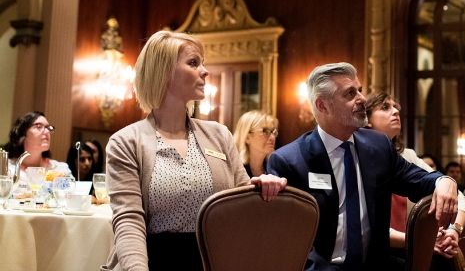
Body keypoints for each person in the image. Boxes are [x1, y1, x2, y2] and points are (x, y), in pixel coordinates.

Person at [104, 30, 287, 271]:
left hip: (215, 260)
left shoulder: (219, 134)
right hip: (153, 261)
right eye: (193, 63)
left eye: (202, 63)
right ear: (164, 72)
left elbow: (241, 200)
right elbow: (129, 222)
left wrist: (263, 185)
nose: (205, 71)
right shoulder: (126, 142)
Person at [267, 62, 458, 270]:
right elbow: (282, 241)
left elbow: (417, 180)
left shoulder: (378, 146)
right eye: (350, 94)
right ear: (322, 106)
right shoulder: (289, 161)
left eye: (360, 90)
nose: (362, 99)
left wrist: (444, 180)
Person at [365, 92, 465, 269]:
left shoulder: (408, 156)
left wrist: (454, 230)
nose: (396, 111)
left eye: (395, 106)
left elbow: (461, 198)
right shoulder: (362, 156)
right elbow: (368, 228)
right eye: (385, 107)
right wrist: (422, 241)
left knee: (444, 261)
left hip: (409, 246)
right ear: (367, 120)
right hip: (377, 250)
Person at [5, 111, 72, 187]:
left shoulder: (60, 169)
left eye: (48, 128)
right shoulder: (6, 169)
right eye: (39, 126)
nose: (47, 132)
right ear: (22, 134)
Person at [233, 110, 279, 178]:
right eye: (265, 131)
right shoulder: (233, 170)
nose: (272, 137)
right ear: (247, 138)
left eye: (273, 131)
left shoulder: (275, 169)